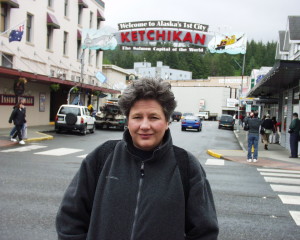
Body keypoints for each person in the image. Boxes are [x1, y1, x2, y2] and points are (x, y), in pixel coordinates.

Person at [56, 78, 219, 240]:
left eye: (154, 117)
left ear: (167, 121)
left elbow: (204, 231)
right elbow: (70, 218)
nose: (145, 125)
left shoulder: (186, 166)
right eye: (137, 117)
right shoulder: (103, 157)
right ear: (128, 120)